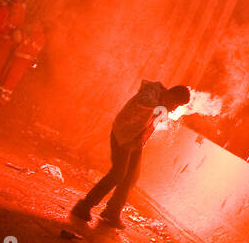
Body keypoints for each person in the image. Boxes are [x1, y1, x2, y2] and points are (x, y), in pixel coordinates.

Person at [70, 81, 192, 228]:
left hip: (135, 140)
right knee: (118, 174)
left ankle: (112, 211)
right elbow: (144, 101)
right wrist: (159, 106)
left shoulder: (161, 103)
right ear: (171, 95)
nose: (174, 108)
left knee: (131, 176)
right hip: (123, 135)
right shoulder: (152, 93)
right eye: (175, 104)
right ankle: (84, 206)